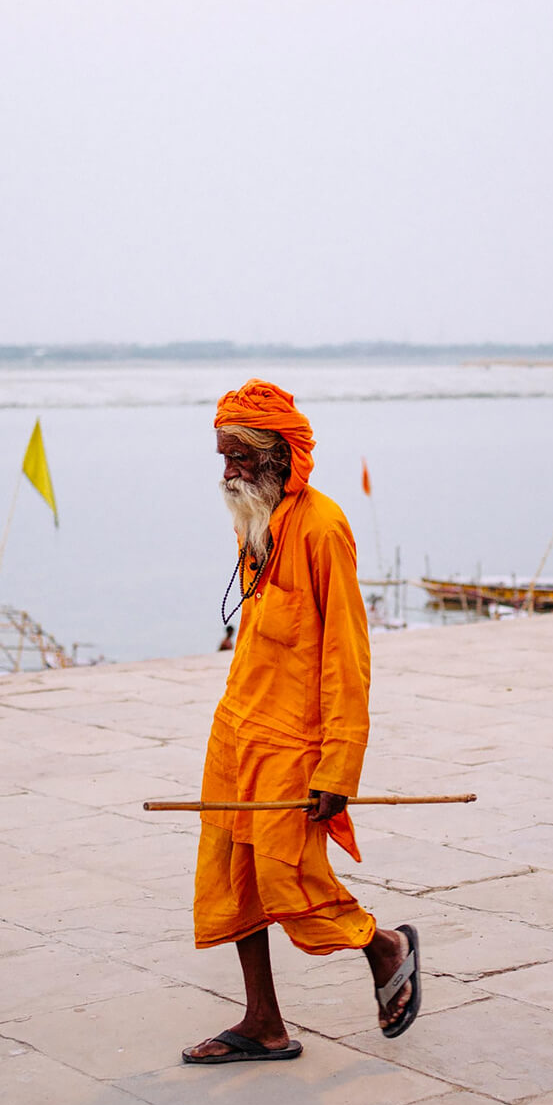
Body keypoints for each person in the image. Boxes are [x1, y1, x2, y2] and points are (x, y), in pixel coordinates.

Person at [183, 379, 420, 1065]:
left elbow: (348, 656)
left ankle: (386, 946)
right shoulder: (252, 519)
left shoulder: (323, 527)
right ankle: (263, 1023)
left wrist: (338, 767)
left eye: (240, 458)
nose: (227, 471)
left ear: (280, 455)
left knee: (290, 880)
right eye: (222, 456)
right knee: (232, 878)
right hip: (236, 728)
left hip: (294, 742)